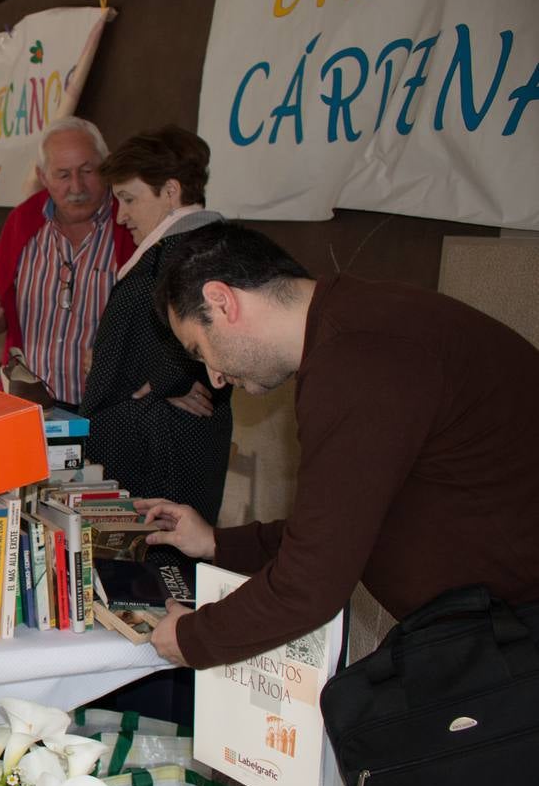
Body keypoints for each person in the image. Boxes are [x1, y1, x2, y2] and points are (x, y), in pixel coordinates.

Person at [141, 222, 539, 670]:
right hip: (490, 629)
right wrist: (217, 542)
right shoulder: (356, 322)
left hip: (516, 637)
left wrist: (194, 637)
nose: (213, 376)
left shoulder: (357, 362)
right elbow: (339, 523)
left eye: (201, 348)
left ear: (222, 300)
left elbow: (309, 585)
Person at [80, 125, 231, 524]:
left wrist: (170, 380)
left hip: (160, 454)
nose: (122, 215)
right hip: (164, 445)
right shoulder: (196, 248)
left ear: (170, 191)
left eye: (129, 199)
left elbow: (220, 329)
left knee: (158, 569)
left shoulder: (187, 255)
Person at [0, 117, 134, 405]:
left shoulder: (131, 227)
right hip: (30, 405)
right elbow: (4, 323)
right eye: (63, 175)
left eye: (87, 170)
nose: (77, 186)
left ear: (107, 167)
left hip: (107, 408)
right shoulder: (21, 224)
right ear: (43, 177)